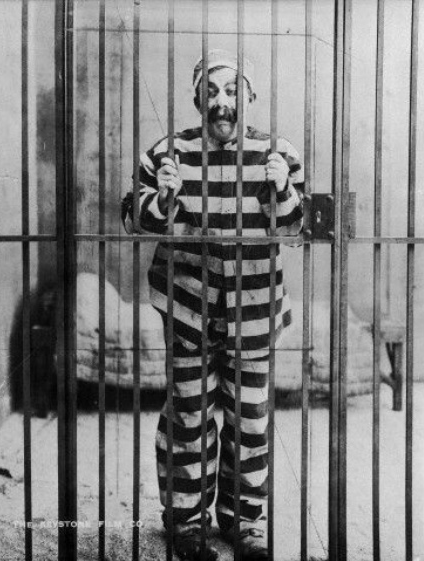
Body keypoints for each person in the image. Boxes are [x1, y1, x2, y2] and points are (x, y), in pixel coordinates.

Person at [122, 49, 304, 561]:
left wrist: (281, 188)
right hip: (187, 308)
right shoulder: (167, 152)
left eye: (232, 91)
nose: (222, 103)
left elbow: (295, 229)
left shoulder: (279, 152)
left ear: (249, 96)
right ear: (197, 98)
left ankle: (244, 523)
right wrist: (162, 198)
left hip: (255, 309)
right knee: (188, 415)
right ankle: (186, 523)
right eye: (212, 92)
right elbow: (132, 220)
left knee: (250, 420)